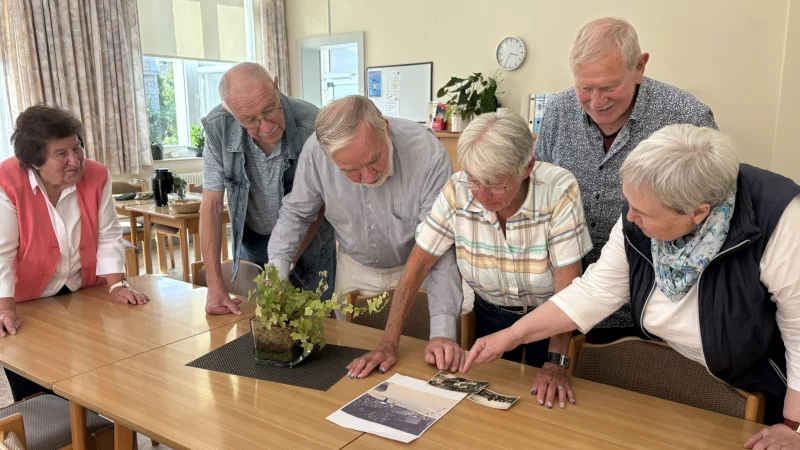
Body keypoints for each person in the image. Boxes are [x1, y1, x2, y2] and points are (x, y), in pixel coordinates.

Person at [464, 125, 800, 447]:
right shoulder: (641, 210)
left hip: (762, 390)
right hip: (683, 375)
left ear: (698, 214)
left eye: (642, 213)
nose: (631, 219)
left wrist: (792, 426)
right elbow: (594, 291)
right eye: (629, 205)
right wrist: (509, 337)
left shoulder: (782, 222)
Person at [348, 112, 592, 410]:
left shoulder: (559, 190)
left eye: (495, 185)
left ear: (526, 167)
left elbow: (568, 287)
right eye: (475, 181)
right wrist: (389, 342)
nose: (482, 196)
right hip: (491, 316)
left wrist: (556, 361)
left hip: (551, 322)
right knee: (485, 411)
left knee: (549, 409)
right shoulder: (458, 188)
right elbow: (417, 266)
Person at [534, 17, 718, 343]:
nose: (596, 101)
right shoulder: (558, 113)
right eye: (584, 88)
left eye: (608, 87)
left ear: (639, 66)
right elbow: (540, 196)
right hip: (566, 299)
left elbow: (712, 221)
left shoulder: (687, 118)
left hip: (651, 311)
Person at [0, 104, 149, 401]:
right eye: (61, 154)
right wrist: (4, 307)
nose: (75, 160)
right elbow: (2, 252)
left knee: (94, 374)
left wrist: (118, 283)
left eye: (77, 148)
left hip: (82, 289)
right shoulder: (7, 181)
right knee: (37, 385)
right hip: (28, 299)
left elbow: (108, 234)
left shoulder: (97, 175)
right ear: (34, 161)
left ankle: (95, 435)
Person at [267, 95, 461, 322]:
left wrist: (443, 328)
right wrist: (278, 273)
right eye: (351, 171)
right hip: (354, 268)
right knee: (350, 348)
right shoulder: (315, 153)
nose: (369, 178)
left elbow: (440, 244)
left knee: (422, 347)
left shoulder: (428, 154)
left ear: (385, 129)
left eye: (374, 159)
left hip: (419, 268)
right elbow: (297, 213)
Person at [200, 62, 335, 315]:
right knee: (253, 325)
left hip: (310, 244)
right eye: (250, 121)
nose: (266, 126)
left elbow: (320, 204)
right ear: (228, 111)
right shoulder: (218, 127)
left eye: (269, 110)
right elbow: (212, 206)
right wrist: (214, 285)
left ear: (275, 85)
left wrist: (283, 262)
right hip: (252, 244)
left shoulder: (312, 125)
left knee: (313, 328)